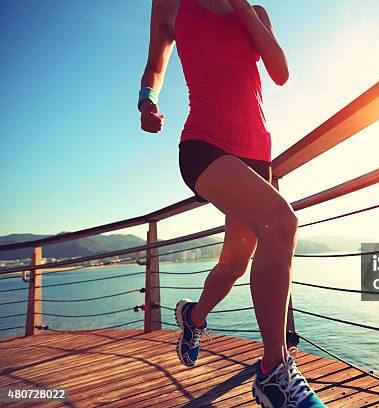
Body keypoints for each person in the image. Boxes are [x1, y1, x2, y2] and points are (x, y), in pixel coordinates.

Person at [138, 0, 326, 407]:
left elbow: (280, 73)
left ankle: (193, 317)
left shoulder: (254, 11)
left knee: (234, 264)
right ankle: (273, 371)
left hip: (257, 155)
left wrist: (241, 7)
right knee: (282, 222)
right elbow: (156, 63)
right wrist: (146, 100)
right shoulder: (172, 5)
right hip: (203, 145)